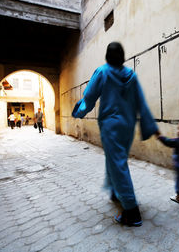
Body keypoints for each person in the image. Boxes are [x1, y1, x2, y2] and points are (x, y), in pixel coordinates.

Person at [72, 42, 159, 227]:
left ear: (107, 56)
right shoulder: (132, 76)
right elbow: (141, 102)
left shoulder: (102, 72)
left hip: (111, 127)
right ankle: (115, 191)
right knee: (115, 160)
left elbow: (88, 98)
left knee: (117, 163)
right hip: (127, 126)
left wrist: (78, 112)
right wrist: (150, 126)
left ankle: (132, 211)